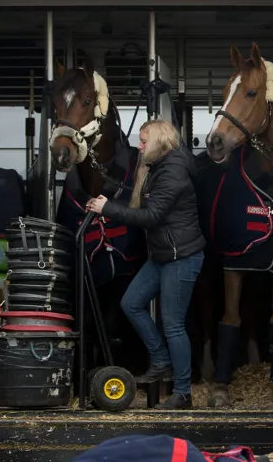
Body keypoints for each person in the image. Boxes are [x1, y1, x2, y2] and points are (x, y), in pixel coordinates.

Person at [85, 119, 206, 410]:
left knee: (173, 324)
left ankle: (182, 392)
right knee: (131, 303)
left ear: (158, 141)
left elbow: (151, 217)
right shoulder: (157, 166)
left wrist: (108, 210)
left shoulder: (174, 171)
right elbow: (142, 208)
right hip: (163, 255)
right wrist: (109, 204)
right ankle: (161, 359)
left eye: (142, 141)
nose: (138, 147)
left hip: (182, 256)